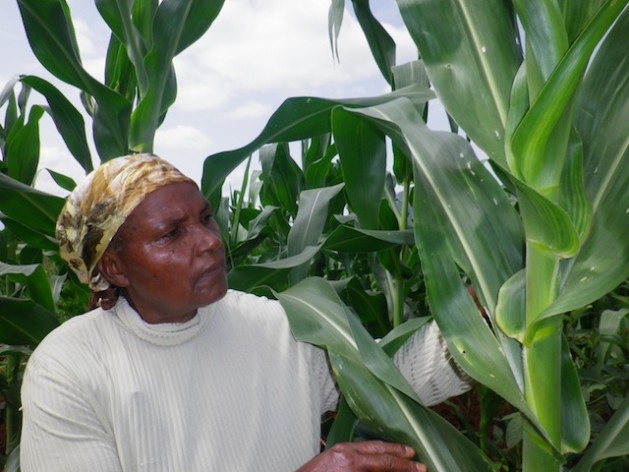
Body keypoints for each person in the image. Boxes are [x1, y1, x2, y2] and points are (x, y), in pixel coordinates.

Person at [20, 154, 471, 471]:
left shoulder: (276, 326)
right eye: (172, 234)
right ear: (115, 268)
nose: (210, 241)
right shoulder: (69, 368)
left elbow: (391, 382)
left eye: (205, 217)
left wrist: (482, 322)